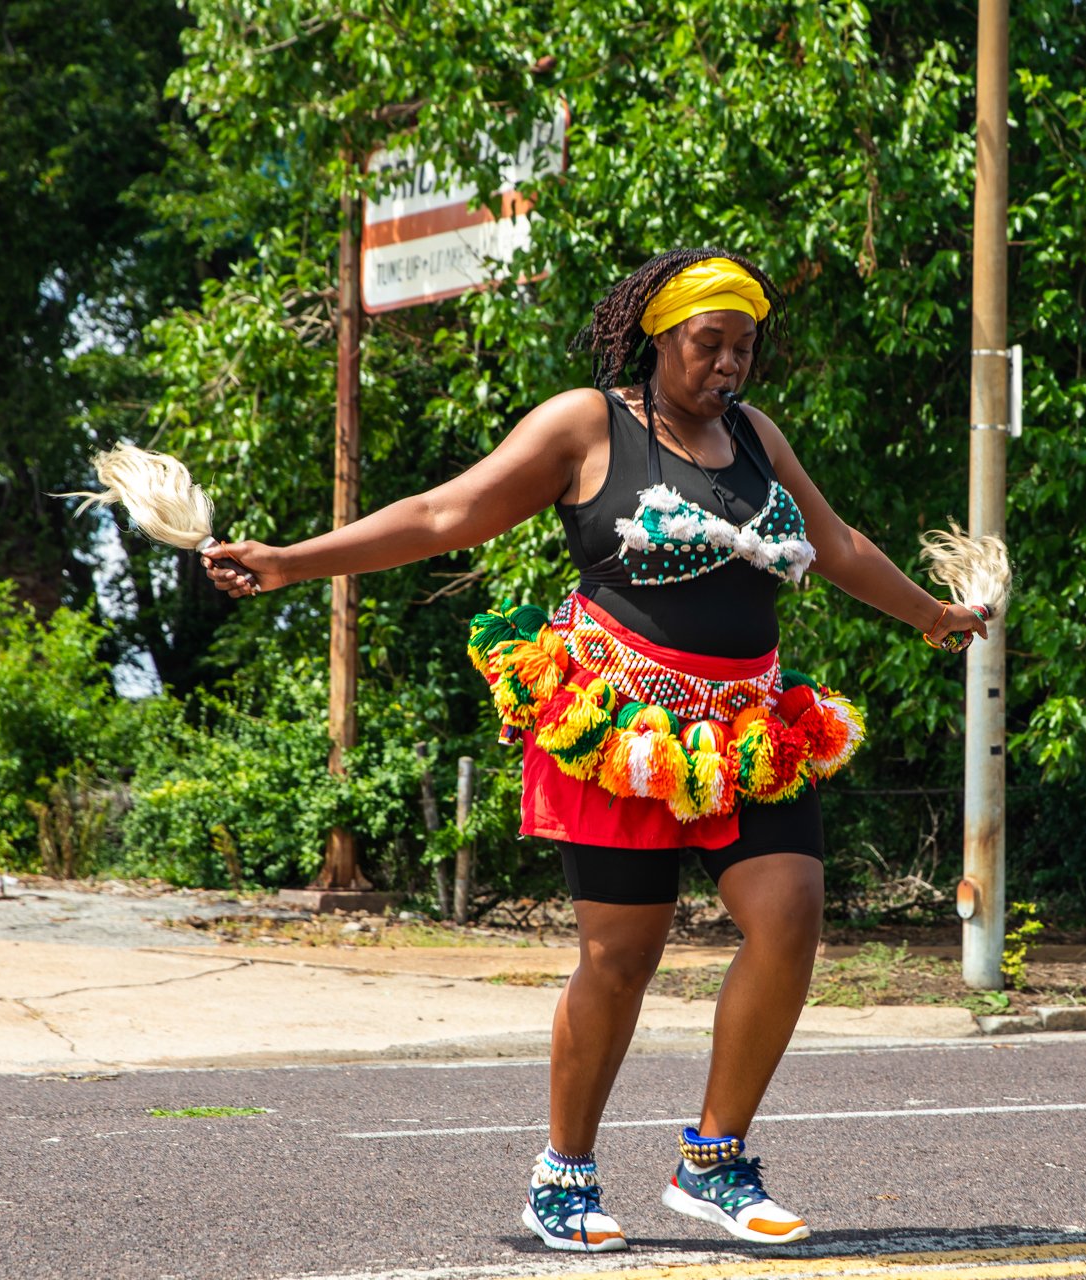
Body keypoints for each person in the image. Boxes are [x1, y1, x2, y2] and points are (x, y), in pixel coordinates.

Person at [202, 248, 989, 1252]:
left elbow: (834, 545)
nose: (729, 367)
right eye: (709, 345)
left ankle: (716, 1159)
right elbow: (447, 512)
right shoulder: (587, 423)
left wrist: (931, 615)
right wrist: (288, 563)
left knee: (789, 915)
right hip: (624, 729)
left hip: (749, 727)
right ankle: (562, 1174)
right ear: (658, 335)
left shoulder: (756, 436)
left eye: (745, 348)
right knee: (622, 959)